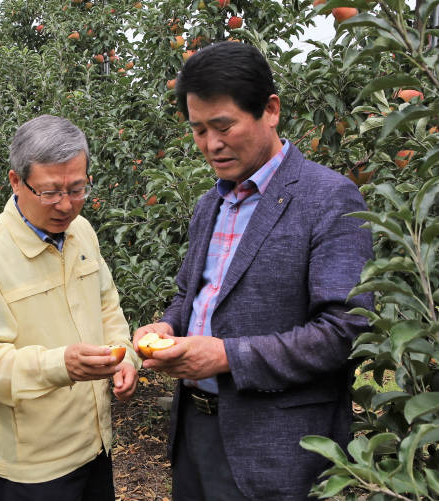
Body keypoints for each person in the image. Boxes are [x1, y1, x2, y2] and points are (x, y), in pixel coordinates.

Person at [133, 42, 373, 501]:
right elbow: (191, 294)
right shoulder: (210, 204)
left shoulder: (328, 199)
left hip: (275, 446)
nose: (211, 144)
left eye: (223, 126)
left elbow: (346, 331)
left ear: (271, 110)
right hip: (195, 432)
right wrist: (167, 324)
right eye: (199, 130)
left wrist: (228, 356)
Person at [0, 114, 139, 501]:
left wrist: (126, 357)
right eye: (51, 192)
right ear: (16, 181)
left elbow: (107, 308)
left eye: (77, 188)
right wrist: (61, 365)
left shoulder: (82, 233)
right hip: (32, 467)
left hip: (95, 444)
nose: (66, 205)